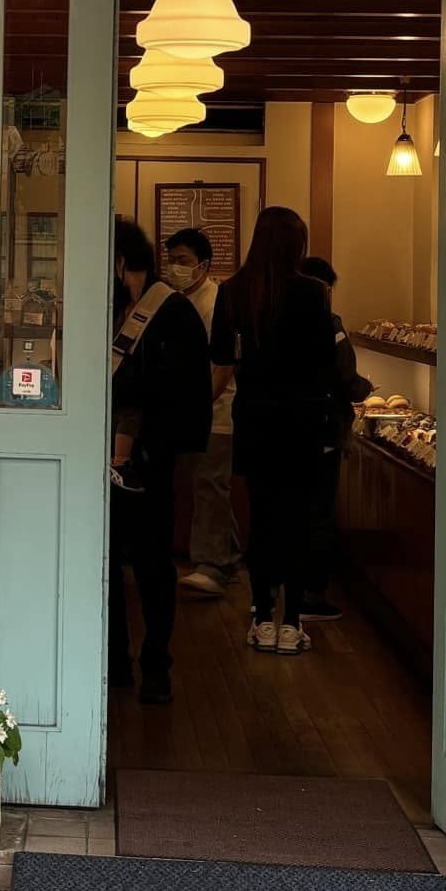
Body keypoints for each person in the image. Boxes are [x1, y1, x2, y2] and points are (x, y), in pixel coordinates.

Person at [208, 206, 343, 655]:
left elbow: (221, 356)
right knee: (298, 520)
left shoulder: (232, 291)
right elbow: (325, 363)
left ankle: (262, 617)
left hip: (254, 418)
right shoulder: (313, 292)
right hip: (303, 421)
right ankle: (292, 622)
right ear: (295, 245)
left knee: (262, 519)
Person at [108, 217, 213, 705]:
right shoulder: (111, 307)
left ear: (121, 261)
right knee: (106, 562)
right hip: (106, 457)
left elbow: (184, 392)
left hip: (150, 459)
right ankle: (114, 661)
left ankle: (156, 663)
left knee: (152, 564)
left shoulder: (171, 311)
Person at [161, 228, 240, 601]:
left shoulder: (216, 302)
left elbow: (224, 366)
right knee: (208, 487)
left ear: (203, 265)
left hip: (217, 412)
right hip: (188, 411)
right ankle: (228, 559)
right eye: (171, 260)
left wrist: (199, 406)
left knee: (210, 486)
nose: (174, 267)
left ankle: (212, 566)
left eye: (183, 261)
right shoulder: (177, 301)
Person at [295, 254, 374, 622]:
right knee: (318, 511)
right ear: (323, 289)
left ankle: (273, 595)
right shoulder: (329, 324)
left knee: (288, 510)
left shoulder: (274, 319)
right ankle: (311, 595)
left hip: (285, 430)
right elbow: (345, 376)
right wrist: (365, 388)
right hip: (323, 428)